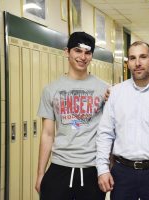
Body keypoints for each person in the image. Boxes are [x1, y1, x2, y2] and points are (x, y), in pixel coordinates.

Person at [96, 41, 149, 200]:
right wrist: (102, 169)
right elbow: (105, 134)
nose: (138, 63)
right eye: (132, 58)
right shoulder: (116, 93)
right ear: (128, 63)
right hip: (122, 173)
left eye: (143, 57)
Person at [35, 32, 108, 200]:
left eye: (87, 53)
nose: (82, 57)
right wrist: (40, 173)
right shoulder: (51, 90)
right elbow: (47, 134)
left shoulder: (105, 90)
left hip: (92, 169)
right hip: (59, 167)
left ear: (91, 56)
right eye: (77, 51)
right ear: (67, 52)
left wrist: (107, 167)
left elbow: (109, 132)